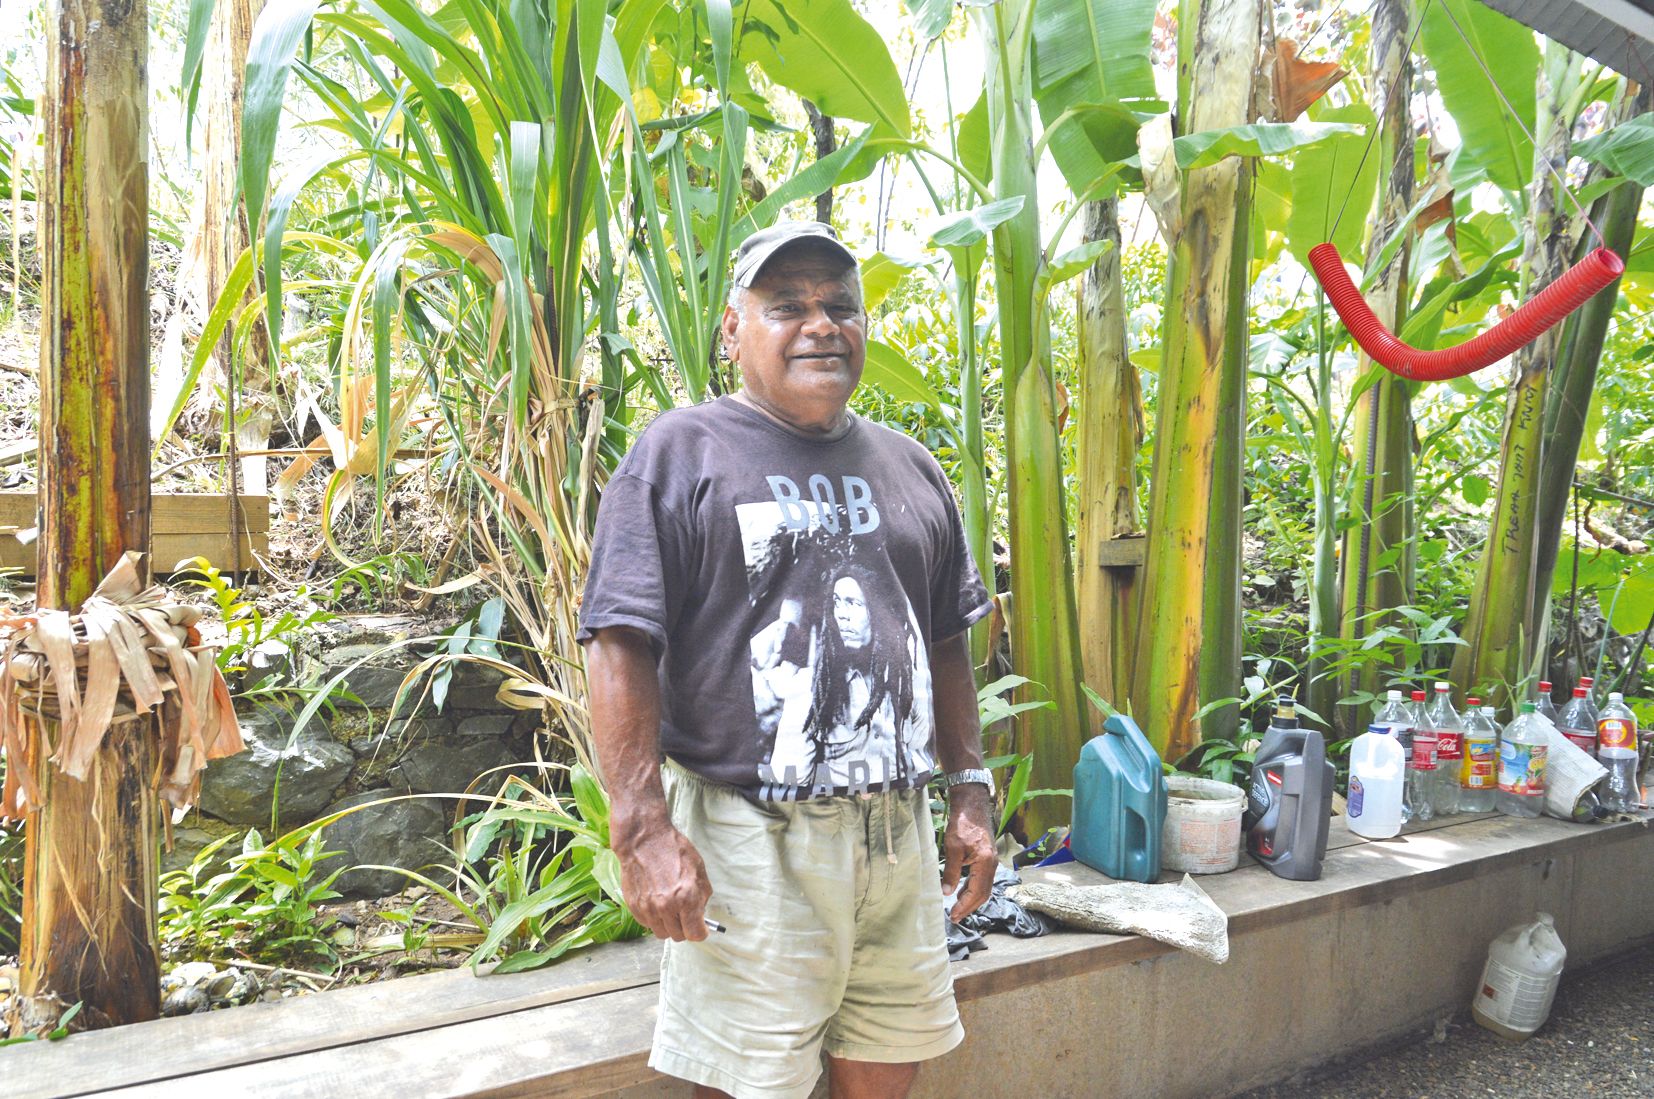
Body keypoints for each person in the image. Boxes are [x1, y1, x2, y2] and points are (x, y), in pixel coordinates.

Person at [579, 220, 998, 1099]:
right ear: (734, 331)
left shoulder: (910, 466)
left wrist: (969, 792)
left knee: (885, 1065)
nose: (821, 324)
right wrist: (643, 829)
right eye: (788, 306)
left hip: (895, 834)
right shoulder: (681, 452)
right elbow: (621, 641)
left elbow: (948, 641)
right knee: (746, 1083)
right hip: (751, 839)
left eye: (840, 306)